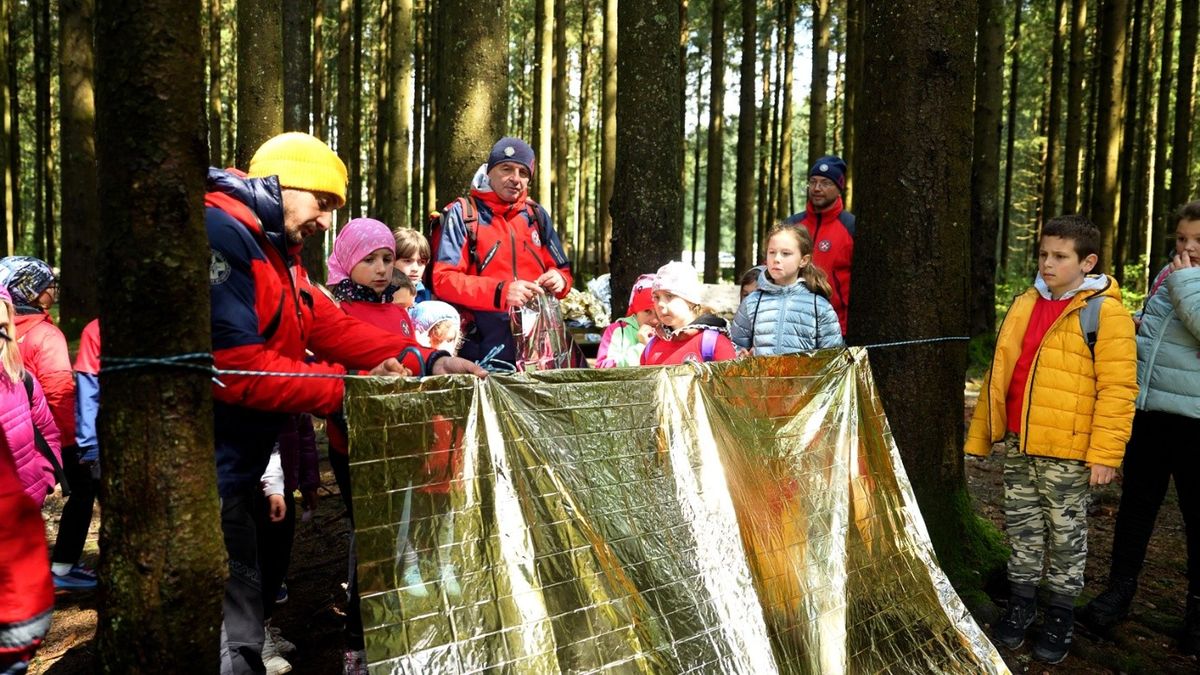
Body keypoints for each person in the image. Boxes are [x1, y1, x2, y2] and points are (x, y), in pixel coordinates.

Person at [206, 131, 484, 675]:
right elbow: (239, 369)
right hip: (210, 466)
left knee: (241, 616)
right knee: (228, 633)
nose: (326, 220)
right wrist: (350, 387)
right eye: (322, 201)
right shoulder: (226, 235)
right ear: (282, 183)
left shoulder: (278, 251)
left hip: (238, 464)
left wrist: (426, 360)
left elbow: (329, 326)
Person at [964, 215, 1138, 664]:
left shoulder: (1104, 312)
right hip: (1020, 441)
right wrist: (988, 430)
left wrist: (1105, 454)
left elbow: (1118, 389)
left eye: (1060, 256)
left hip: (1069, 451)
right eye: (1043, 254)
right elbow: (1003, 370)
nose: (1047, 263)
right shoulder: (1027, 302)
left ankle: (1060, 614)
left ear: (1087, 262)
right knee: (1023, 529)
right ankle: (1021, 603)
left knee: (1066, 536)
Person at [1080, 200, 1200, 653]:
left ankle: (1197, 615)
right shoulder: (1170, 274)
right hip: (1149, 412)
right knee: (1136, 508)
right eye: (1182, 238)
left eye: (1198, 240)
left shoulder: (1181, 278)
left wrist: (1184, 282)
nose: (1188, 247)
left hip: (1195, 421)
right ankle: (1118, 592)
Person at [431, 137, 573, 363]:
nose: (515, 179)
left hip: (538, 350)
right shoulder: (463, 214)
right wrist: (501, 292)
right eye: (506, 169)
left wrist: (560, 280)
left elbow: (562, 270)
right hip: (480, 349)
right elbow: (443, 280)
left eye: (523, 173)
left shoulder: (537, 215)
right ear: (489, 171)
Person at [0, 256, 91, 591]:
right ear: (30, 291)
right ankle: (64, 566)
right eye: (46, 286)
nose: (52, 291)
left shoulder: (9, 331)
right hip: (49, 437)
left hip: (16, 439)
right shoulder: (46, 335)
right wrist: (76, 443)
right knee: (85, 490)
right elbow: (59, 393)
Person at [0, 285, 55, 675]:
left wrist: (43, 478)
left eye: (3, 325)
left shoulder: (21, 378)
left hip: (20, 529)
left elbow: (46, 431)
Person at [731, 223, 845, 355]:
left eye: (785, 253)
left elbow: (833, 358)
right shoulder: (752, 303)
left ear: (803, 260)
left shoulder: (819, 307)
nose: (776, 259)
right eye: (772, 252)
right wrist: (741, 356)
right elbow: (734, 347)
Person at [782, 156, 855, 334]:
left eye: (825, 183)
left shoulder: (851, 227)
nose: (817, 188)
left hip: (837, 327)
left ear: (839, 188)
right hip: (791, 325)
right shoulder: (791, 225)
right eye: (813, 182)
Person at [640, 261, 737, 366]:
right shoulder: (652, 346)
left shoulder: (714, 343)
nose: (660, 304)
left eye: (669, 296)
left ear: (690, 301)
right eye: (656, 297)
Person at [595, 274, 659, 368]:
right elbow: (602, 368)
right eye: (647, 311)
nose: (654, 320)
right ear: (636, 310)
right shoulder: (618, 331)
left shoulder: (670, 331)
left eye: (658, 312)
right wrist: (642, 346)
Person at [393, 226, 432, 303]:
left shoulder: (428, 297)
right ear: (391, 261)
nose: (415, 269)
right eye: (408, 261)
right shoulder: (379, 296)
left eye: (421, 262)